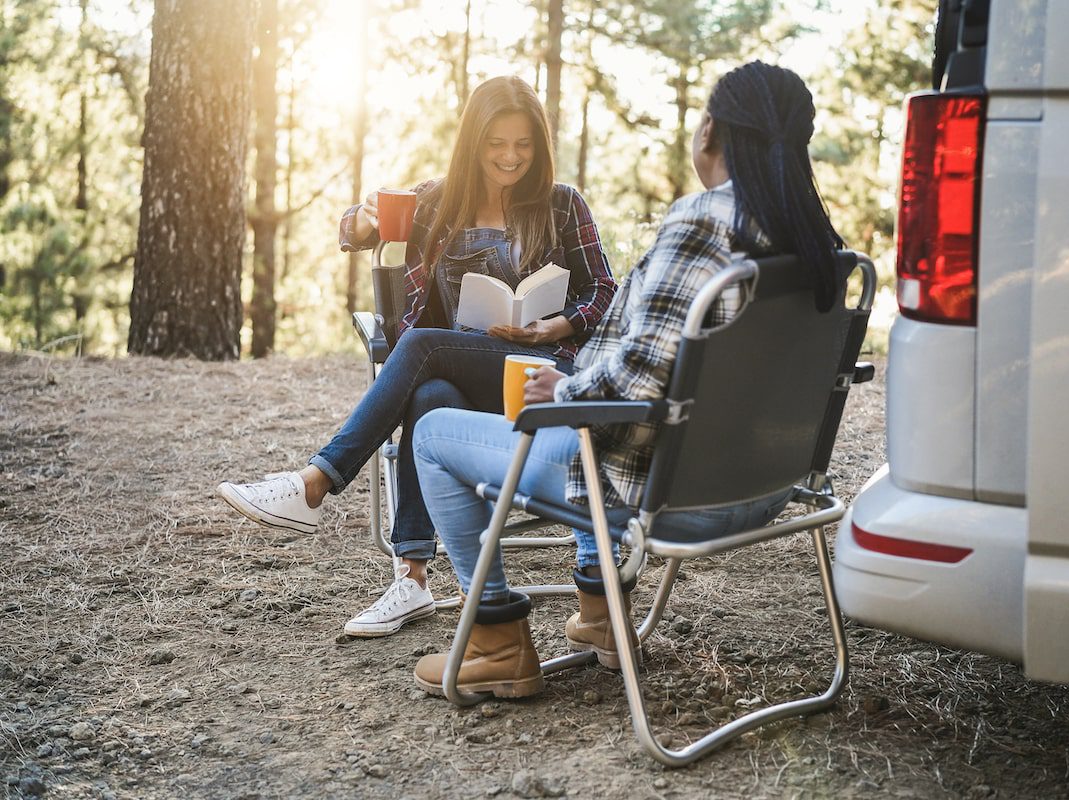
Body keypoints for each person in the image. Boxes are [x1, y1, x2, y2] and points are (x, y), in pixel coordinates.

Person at [408, 61, 845, 698]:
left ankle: (497, 642)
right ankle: (599, 619)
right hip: (766, 488)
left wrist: (564, 392)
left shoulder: (704, 222)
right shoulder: (818, 244)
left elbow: (633, 387)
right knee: (587, 408)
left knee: (433, 431)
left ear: (711, 133)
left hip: (669, 494)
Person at [217, 76, 616, 638]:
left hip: (536, 373)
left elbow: (604, 288)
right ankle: (413, 580)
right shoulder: (438, 200)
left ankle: (315, 482)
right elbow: (356, 226)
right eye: (496, 143)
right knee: (429, 395)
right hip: (458, 367)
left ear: (540, 145)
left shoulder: (560, 203)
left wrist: (556, 323)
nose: (510, 157)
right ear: (472, 141)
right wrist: (361, 221)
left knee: (423, 347)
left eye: (523, 144)